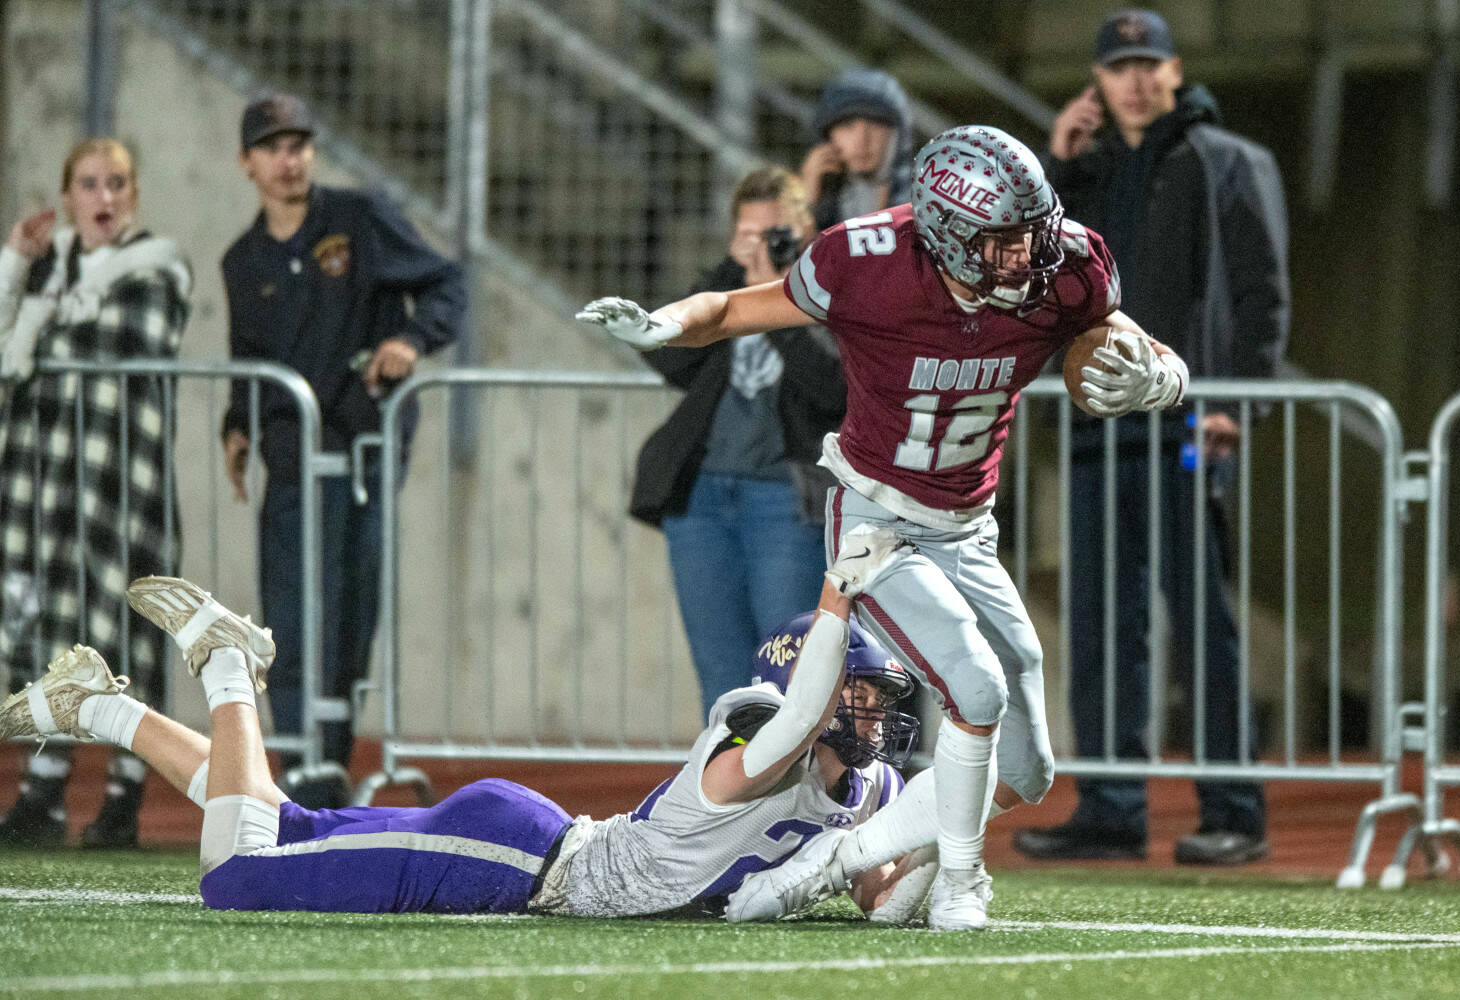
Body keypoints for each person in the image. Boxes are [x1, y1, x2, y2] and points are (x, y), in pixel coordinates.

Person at [577, 124, 1192, 929]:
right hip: (878, 517)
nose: (1025, 259)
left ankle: (833, 860)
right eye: (1002, 243)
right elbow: (732, 307)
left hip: (969, 525)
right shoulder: (863, 263)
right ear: (945, 235)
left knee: (1028, 765)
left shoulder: (1067, 262)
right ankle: (963, 884)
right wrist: (663, 325)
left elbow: (1124, 339)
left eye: (1032, 234)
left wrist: (1163, 378)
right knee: (975, 686)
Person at [0, 525, 931, 919]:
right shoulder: (754, 745)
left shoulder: (865, 784)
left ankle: (104, 707)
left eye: (882, 698)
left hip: (521, 838)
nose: (878, 713)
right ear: (809, 689)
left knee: (278, 824)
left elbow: (878, 892)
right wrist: (835, 597)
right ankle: (230, 665)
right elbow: (792, 729)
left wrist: (943, 855)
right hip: (521, 860)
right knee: (235, 879)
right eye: (860, 692)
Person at [1012, 8, 1289, 867]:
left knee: (1202, 623)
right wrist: (1055, 163)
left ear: (1173, 71)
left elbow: (1262, 298)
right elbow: (1030, 274)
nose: (1134, 78)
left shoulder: (1230, 161)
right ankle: (1109, 807)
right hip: (1100, 430)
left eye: (1148, 62)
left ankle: (1234, 809)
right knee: (1099, 626)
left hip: (1187, 429)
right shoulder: (1082, 177)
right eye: (1118, 65)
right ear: (1097, 81)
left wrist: (1239, 407)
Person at [220, 91, 465, 802]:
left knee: (352, 607)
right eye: (271, 147)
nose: (287, 159)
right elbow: (247, 355)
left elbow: (447, 280)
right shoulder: (243, 260)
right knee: (289, 608)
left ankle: (329, 760)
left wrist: (411, 340)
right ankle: (296, 761)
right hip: (293, 453)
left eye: (298, 143)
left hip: (361, 450)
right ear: (246, 163)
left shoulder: (360, 219)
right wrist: (237, 426)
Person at [0, 137, 192, 848]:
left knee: (129, 639)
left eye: (116, 183)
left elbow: (121, 338)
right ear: (68, 194)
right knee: (39, 630)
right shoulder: (51, 273)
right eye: (88, 184)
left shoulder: (158, 265)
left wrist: (40, 324)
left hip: (119, 480)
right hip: (41, 481)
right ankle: (42, 793)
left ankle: (124, 796)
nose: (103, 197)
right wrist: (18, 263)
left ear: (133, 193)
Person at [631, 166, 844, 720]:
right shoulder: (723, 294)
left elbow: (833, 390)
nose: (765, 244)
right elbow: (665, 357)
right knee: (721, 679)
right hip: (701, 501)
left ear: (804, 230)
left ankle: (791, 805)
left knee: (789, 676)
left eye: (776, 233)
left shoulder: (834, 296)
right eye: (751, 233)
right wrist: (735, 275)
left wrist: (775, 297)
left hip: (787, 503)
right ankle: (726, 804)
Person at [800, 68, 913, 232]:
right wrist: (805, 201)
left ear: (898, 135)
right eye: (847, 125)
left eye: (875, 124)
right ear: (826, 134)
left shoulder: (927, 205)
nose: (861, 141)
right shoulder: (812, 196)